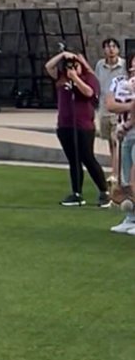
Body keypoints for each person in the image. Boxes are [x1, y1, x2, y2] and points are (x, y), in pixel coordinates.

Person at [45, 51, 110, 207]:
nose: (72, 69)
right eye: (69, 67)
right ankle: (77, 193)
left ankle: (104, 191)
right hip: (65, 125)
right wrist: (62, 55)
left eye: (76, 66)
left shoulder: (89, 78)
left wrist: (75, 78)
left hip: (83, 126)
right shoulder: (61, 78)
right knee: (73, 160)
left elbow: (89, 92)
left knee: (87, 158)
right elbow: (48, 66)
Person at [106, 52, 135, 234]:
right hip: (124, 133)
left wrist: (128, 122)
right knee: (125, 177)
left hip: (129, 129)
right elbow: (110, 105)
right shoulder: (119, 82)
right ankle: (131, 217)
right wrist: (130, 107)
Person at [95, 38, 125, 183]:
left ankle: (116, 174)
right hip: (104, 109)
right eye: (107, 47)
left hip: (118, 110)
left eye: (113, 46)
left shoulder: (123, 65)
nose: (111, 49)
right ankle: (116, 169)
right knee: (110, 143)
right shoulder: (100, 65)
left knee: (116, 141)